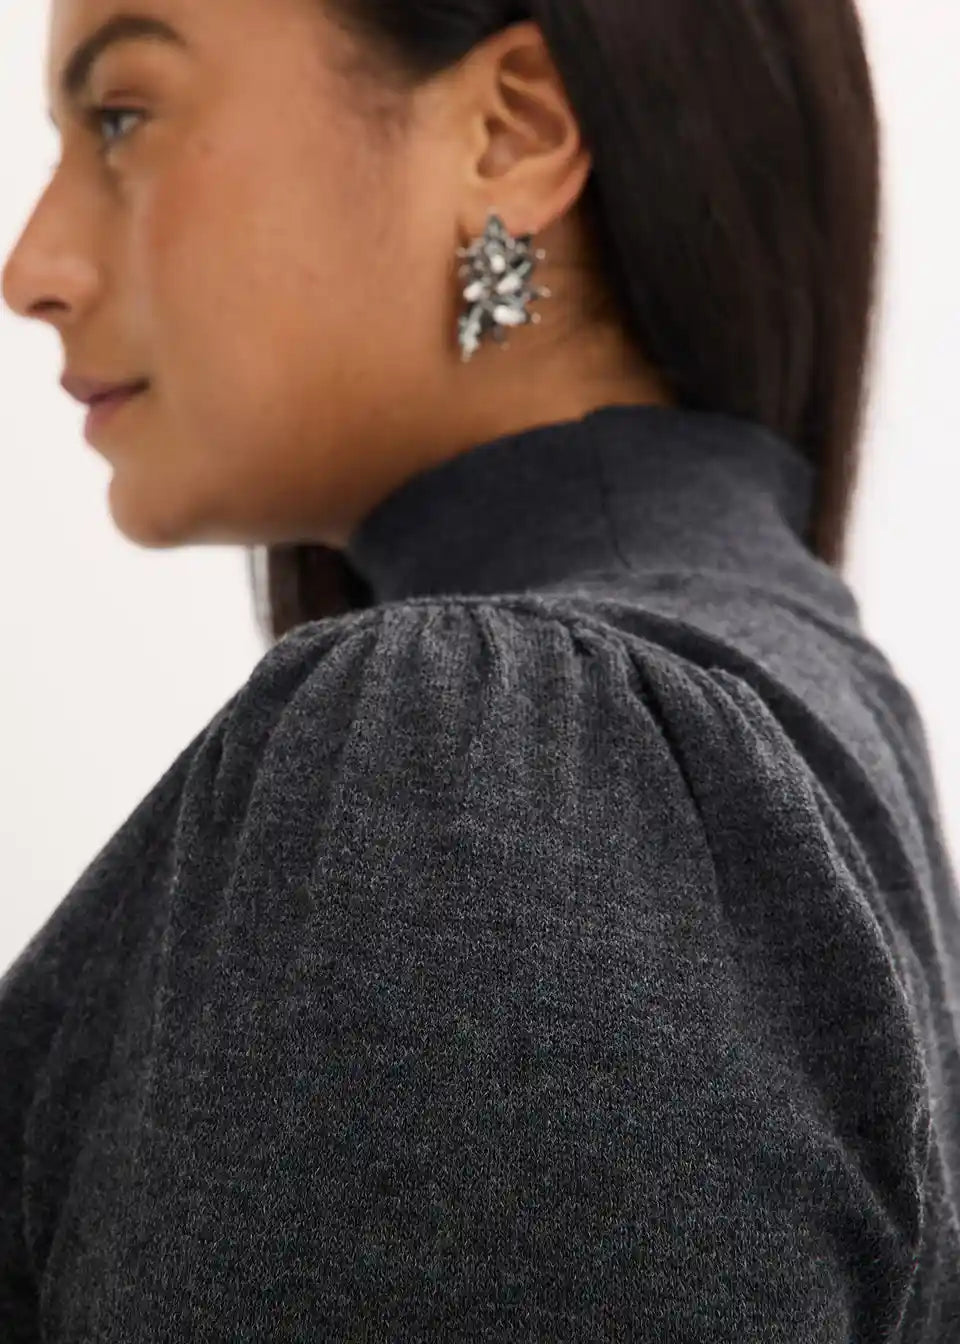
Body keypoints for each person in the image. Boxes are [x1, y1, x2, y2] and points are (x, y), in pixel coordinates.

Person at [1, 0, 957, 1337]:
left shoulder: (492, 774)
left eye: (123, 117)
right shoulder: (773, 720)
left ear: (510, 130)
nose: (33, 267)